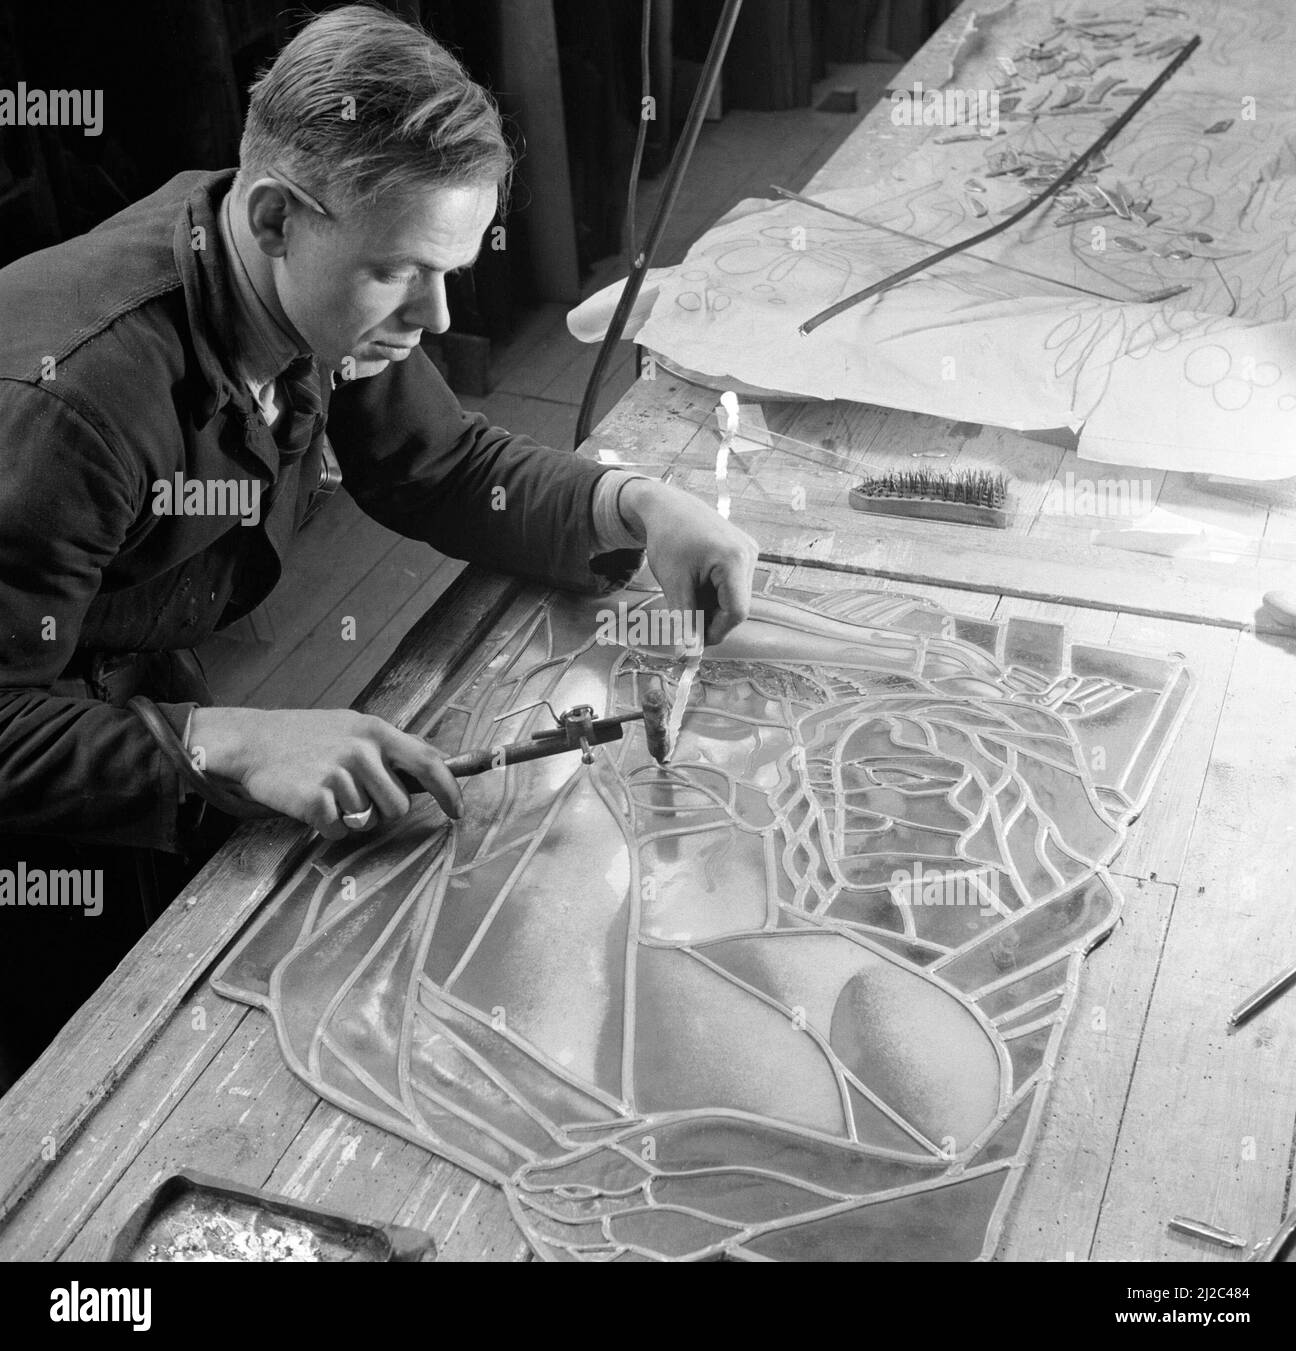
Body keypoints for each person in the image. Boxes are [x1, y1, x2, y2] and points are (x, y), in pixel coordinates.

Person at [0, 4, 758, 1089]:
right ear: (273, 217)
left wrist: (637, 506)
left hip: (108, 668)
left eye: (446, 267)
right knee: (74, 1061)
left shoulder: (303, 281)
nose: (440, 315)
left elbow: (441, 466)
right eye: (403, 270)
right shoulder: (73, 406)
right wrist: (219, 741)